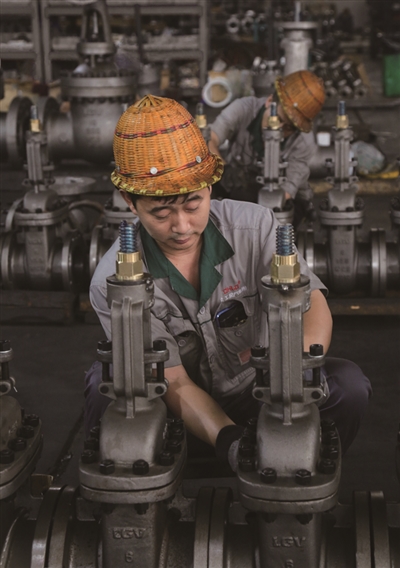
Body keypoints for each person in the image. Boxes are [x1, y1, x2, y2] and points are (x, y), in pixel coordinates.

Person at [85, 94, 371, 468]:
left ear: (210, 187)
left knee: (348, 386)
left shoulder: (256, 227)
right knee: (107, 391)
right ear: (129, 200)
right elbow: (174, 381)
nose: (182, 226)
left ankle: (303, 471)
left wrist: (292, 379)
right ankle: (148, 491)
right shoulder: (114, 282)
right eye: (161, 213)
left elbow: (312, 303)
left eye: (193, 205)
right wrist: (229, 441)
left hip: (261, 390)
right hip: (177, 410)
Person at [208, 69, 324, 226]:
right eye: (278, 119)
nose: (279, 130)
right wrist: (223, 169)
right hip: (237, 190)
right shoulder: (243, 109)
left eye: (289, 128)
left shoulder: (304, 142)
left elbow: (286, 192)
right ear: (269, 101)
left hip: (282, 202)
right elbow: (209, 139)